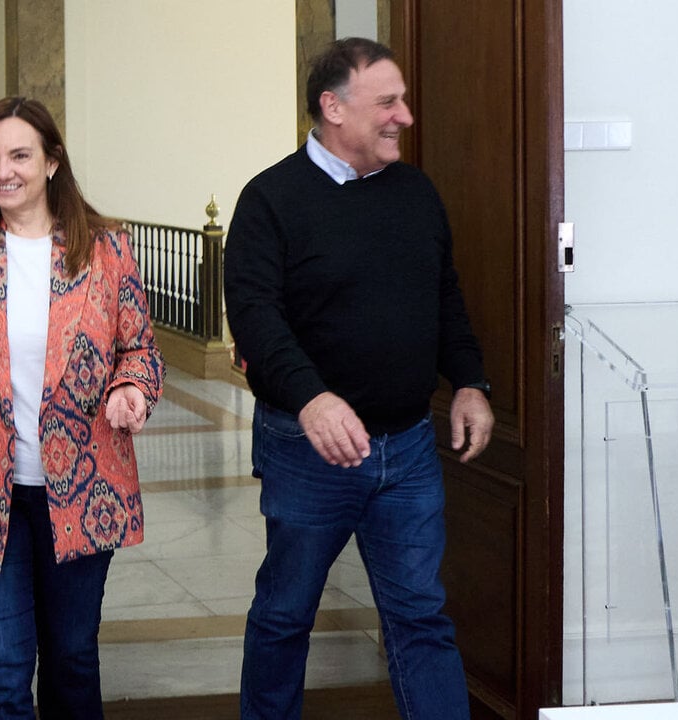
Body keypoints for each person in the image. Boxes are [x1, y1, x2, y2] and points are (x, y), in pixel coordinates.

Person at [223, 38, 495, 720]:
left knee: (421, 618)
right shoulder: (270, 200)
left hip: (406, 451)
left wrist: (469, 381)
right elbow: (256, 319)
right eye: (388, 102)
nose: (404, 115)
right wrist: (312, 400)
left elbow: (447, 297)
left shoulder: (416, 192)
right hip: (306, 452)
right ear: (333, 107)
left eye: (401, 100)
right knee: (285, 618)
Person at [0, 96, 164, 719]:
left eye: (20, 154)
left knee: (72, 662)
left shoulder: (105, 249)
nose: (3, 170)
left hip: (81, 486)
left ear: (52, 162)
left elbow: (140, 349)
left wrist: (131, 388)